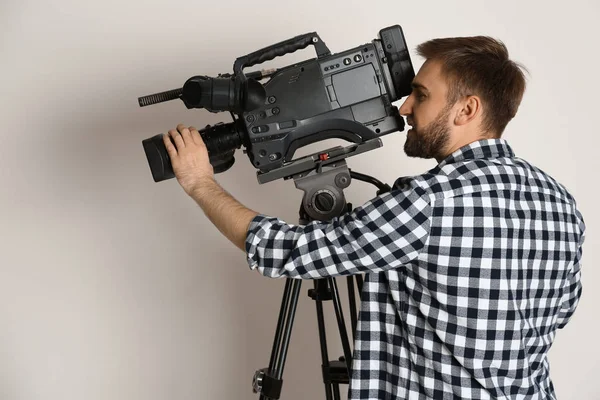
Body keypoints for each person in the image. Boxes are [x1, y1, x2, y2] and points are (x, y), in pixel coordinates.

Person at [162, 35, 585, 399]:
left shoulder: (428, 202)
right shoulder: (561, 204)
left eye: (421, 95)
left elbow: (284, 251)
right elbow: (559, 313)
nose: (403, 108)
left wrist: (200, 181)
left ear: (467, 110)